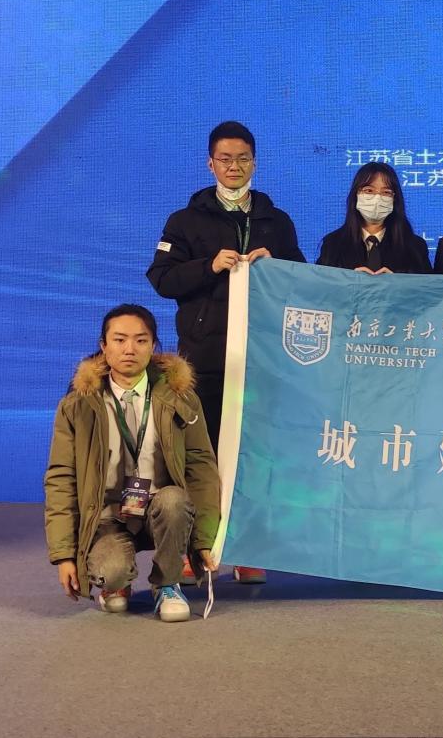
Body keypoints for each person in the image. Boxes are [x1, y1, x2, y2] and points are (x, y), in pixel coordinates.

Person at [146, 120, 304, 584]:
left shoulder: (277, 220)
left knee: (255, 455)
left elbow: (303, 281)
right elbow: (162, 279)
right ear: (210, 164)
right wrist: (208, 265)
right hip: (205, 362)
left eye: (243, 159)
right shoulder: (185, 220)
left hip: (262, 358)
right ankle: (196, 549)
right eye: (225, 159)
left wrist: (277, 265)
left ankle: (247, 547)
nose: (234, 167)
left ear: (255, 163)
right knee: (201, 455)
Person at [44, 305, 222, 622]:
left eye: (141, 340)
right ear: (103, 346)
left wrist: (205, 540)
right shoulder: (78, 405)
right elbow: (61, 477)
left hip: (161, 509)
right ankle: (117, 583)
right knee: (111, 572)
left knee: (174, 501)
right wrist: (63, 555)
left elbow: (202, 467)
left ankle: (167, 584)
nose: (130, 349)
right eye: (119, 339)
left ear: (153, 346)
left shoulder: (180, 397)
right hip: (107, 515)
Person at [315, 162, 433, 275]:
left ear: (394, 199)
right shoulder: (332, 244)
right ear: (356, 195)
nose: (377, 198)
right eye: (369, 191)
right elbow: (321, 285)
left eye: (386, 192)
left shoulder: (415, 246)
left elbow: (427, 286)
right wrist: (351, 281)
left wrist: (397, 282)